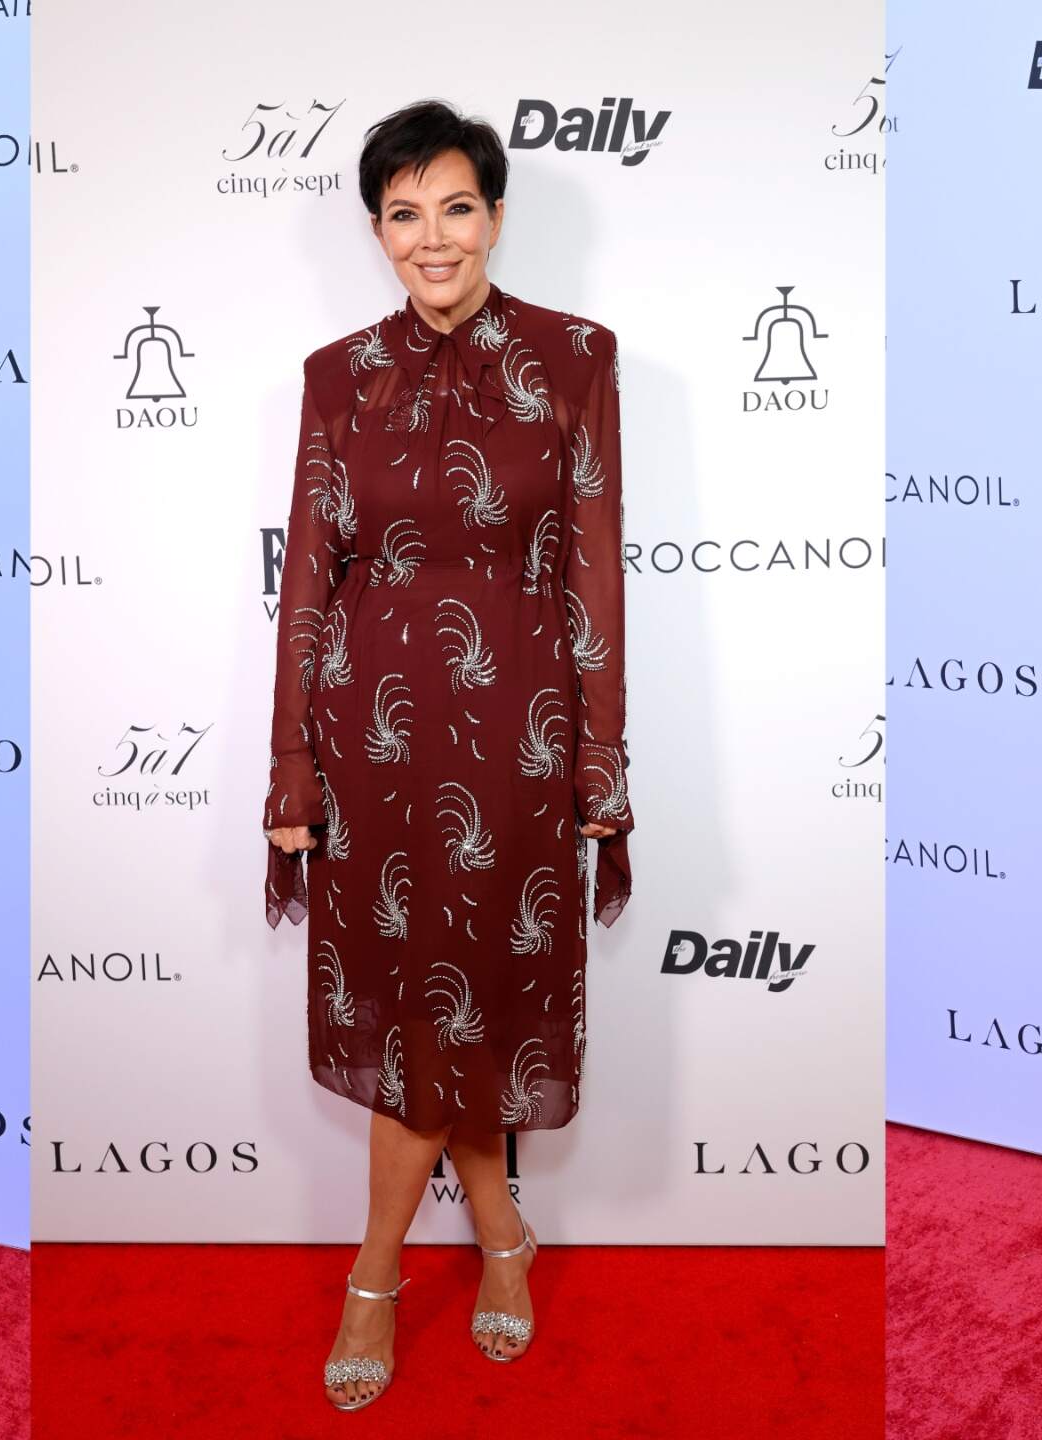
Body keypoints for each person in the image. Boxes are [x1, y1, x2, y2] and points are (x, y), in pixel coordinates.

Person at [262, 98, 634, 1413]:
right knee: (418, 1010)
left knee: (465, 1002)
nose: (433, 237)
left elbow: (595, 571)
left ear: (496, 215)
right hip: (370, 742)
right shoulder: (335, 376)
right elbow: (310, 581)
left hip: (518, 741)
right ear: (377, 231)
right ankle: (500, 1239)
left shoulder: (575, 359)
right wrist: (292, 770)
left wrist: (600, 764)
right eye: (404, 213)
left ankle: (377, 1273)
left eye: (457, 207)